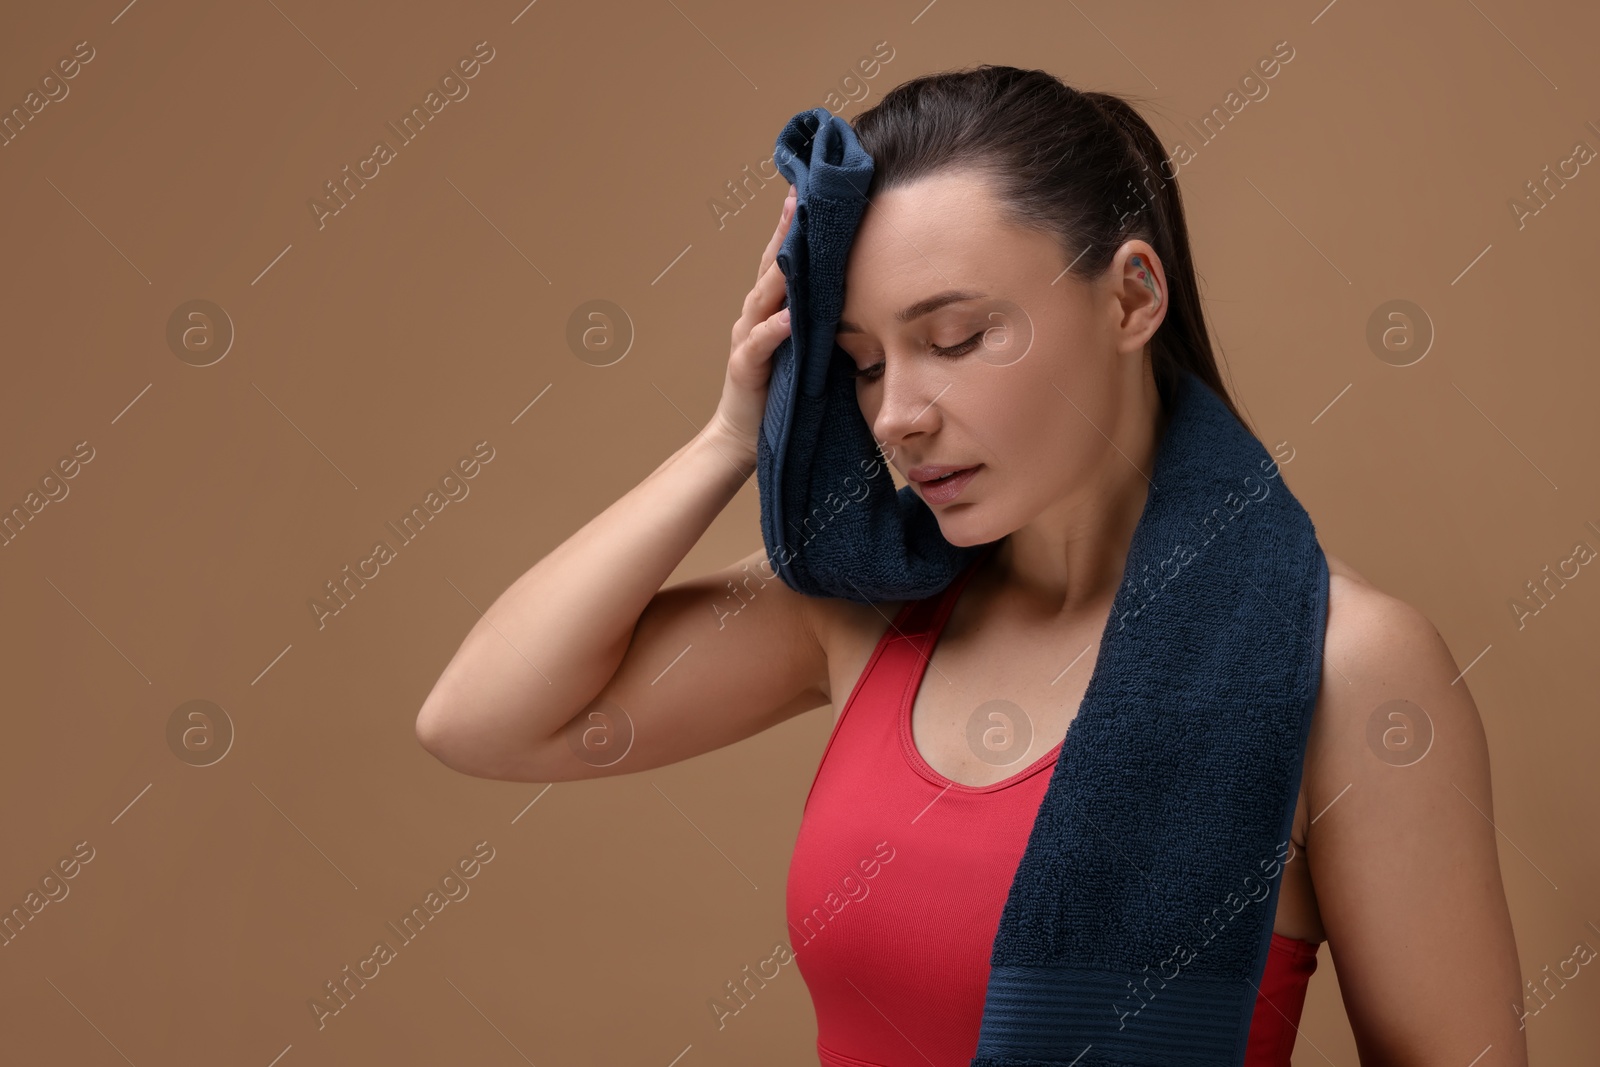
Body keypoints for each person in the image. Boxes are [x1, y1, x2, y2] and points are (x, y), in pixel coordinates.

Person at [415, 65, 1528, 1067]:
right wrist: (728, 436)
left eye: (953, 339)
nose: (896, 416)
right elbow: (483, 718)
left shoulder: (1340, 666)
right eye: (855, 365)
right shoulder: (866, 607)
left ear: (1133, 296)